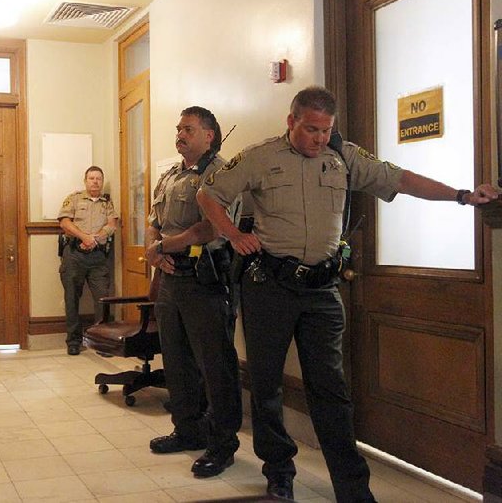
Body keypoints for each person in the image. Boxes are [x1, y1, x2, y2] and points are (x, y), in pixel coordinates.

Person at [197, 86, 498, 501]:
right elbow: (208, 193)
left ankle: (352, 490)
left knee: (332, 391)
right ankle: (279, 469)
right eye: (311, 129)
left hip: (322, 291)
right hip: (270, 286)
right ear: (291, 121)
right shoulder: (259, 157)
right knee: (266, 385)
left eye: (326, 130)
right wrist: (232, 235)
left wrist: (462, 196)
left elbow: (401, 179)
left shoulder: (344, 157)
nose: (319, 138)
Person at [145, 106, 242, 478]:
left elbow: (211, 229)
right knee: (177, 358)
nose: (180, 134)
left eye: (188, 129)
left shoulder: (222, 173)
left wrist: (164, 247)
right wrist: (155, 250)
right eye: (178, 128)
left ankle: (222, 443)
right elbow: (153, 221)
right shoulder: (171, 175)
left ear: (209, 135)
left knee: (215, 364)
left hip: (206, 277)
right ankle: (187, 430)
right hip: (171, 277)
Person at [57, 166, 118, 355]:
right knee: (72, 298)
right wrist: (84, 237)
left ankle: (101, 341)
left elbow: (112, 225)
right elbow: (64, 222)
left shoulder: (107, 203)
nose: (95, 181)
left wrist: (96, 238)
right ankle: (73, 341)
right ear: (85, 181)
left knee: (102, 298)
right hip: (75, 254)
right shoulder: (74, 198)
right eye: (91, 178)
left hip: (98, 256)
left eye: (99, 178)